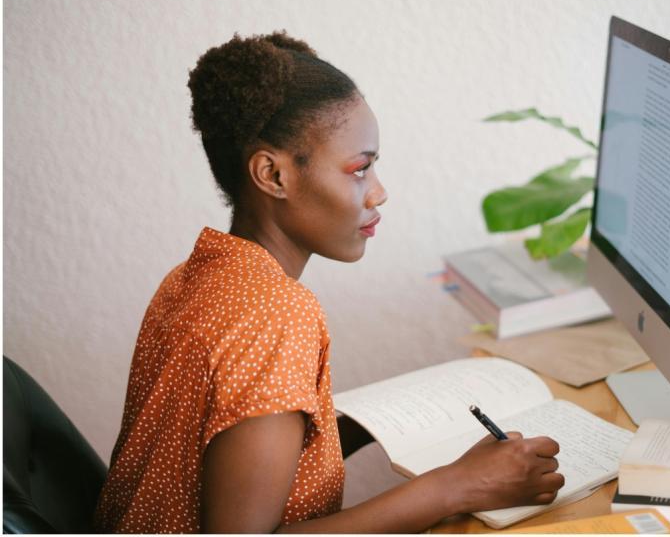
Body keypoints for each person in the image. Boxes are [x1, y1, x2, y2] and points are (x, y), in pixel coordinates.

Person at [93, 31, 565, 533]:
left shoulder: (194, 275)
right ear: (273, 176)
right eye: (360, 169)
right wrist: (457, 486)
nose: (379, 193)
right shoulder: (277, 313)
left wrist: (350, 431)